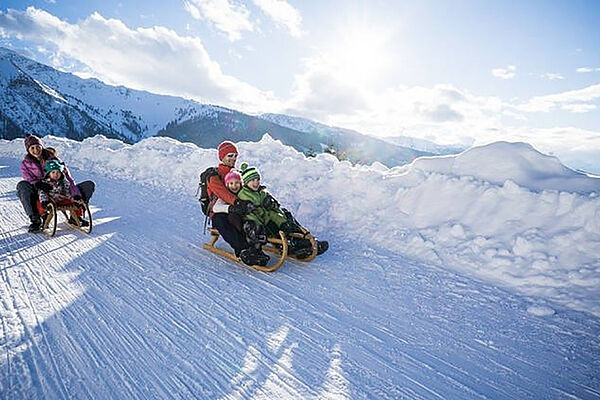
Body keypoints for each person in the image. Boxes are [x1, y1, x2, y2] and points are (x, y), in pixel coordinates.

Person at [237, 163, 329, 259]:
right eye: (252, 180)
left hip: (273, 217)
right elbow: (249, 214)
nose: (256, 182)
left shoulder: (261, 192)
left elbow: (275, 205)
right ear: (246, 182)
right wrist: (259, 224)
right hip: (263, 222)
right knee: (276, 231)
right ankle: (294, 246)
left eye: (257, 179)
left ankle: (305, 242)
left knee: (287, 218)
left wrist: (273, 204)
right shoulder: (244, 195)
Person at [207, 141, 269, 266]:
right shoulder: (214, 175)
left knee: (260, 215)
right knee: (221, 220)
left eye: (235, 156)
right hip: (220, 210)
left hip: (241, 208)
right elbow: (222, 192)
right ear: (222, 157)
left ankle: (287, 240)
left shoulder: (238, 172)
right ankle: (242, 249)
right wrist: (237, 203)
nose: (233, 159)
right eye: (230, 155)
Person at [17, 134, 95, 232]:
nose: (36, 150)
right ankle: (36, 220)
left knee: (88, 185)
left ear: (42, 146)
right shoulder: (25, 164)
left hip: (61, 189)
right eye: (32, 148)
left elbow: (68, 178)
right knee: (22, 186)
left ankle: (76, 216)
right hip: (41, 192)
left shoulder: (53, 159)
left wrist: (76, 195)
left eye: (38, 147)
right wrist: (38, 184)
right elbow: (28, 178)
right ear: (28, 150)